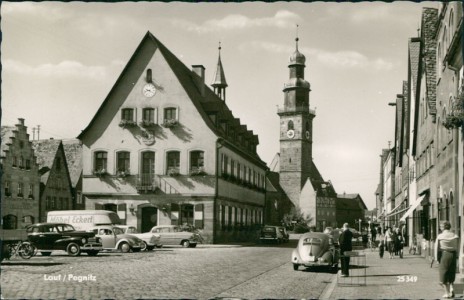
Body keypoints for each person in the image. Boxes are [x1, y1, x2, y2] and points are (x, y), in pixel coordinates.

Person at [435, 221, 459, 298]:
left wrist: (436, 259)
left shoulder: (440, 236)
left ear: (443, 227)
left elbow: (436, 248)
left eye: (441, 226)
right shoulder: (455, 235)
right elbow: (458, 246)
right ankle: (452, 288)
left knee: (443, 273)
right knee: (452, 272)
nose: (440, 228)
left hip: (444, 255)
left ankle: (447, 293)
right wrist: (457, 256)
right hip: (453, 254)